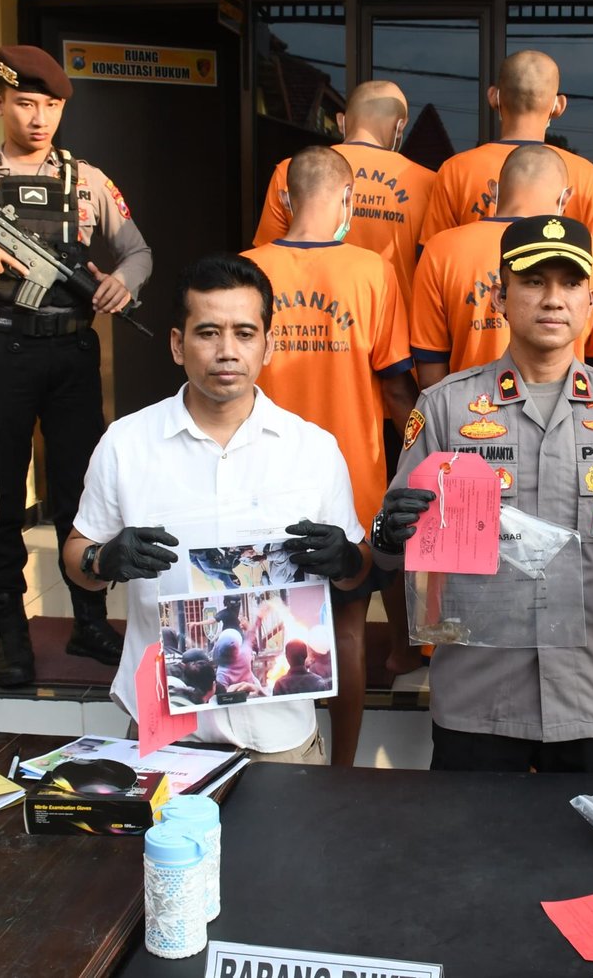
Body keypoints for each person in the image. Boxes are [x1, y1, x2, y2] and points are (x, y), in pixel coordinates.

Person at [371, 215, 593, 772]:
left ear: (591, 301)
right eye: (533, 281)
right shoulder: (445, 408)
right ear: (500, 296)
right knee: (468, 833)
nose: (553, 299)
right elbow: (394, 549)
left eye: (570, 283)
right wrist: (389, 533)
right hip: (478, 699)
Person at [0, 44, 153, 687]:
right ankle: (11, 634)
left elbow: (138, 251)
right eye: (24, 104)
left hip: (72, 353)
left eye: (51, 106)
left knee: (82, 493)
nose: (38, 119)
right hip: (3, 352)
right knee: (0, 496)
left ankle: (90, 621)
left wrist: (123, 281)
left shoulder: (87, 180)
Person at [63, 255, 370, 763]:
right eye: (208, 333)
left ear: (269, 344)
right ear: (177, 344)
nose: (227, 351)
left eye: (245, 333)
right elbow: (77, 557)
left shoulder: (313, 449)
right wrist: (102, 560)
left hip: (279, 737)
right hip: (164, 735)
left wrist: (347, 559)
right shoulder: (126, 443)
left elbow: (356, 572)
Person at [242, 145, 416, 766]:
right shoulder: (372, 271)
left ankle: (261, 754)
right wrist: (420, 454)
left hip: (257, 475)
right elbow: (395, 387)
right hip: (350, 476)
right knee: (346, 629)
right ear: (348, 200)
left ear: (285, 198)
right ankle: (342, 768)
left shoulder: (246, 270)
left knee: (258, 621)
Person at [412, 143, 593, 388]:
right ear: (566, 198)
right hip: (569, 405)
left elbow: (431, 371)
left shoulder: (441, 249)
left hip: (470, 407)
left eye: (570, 284)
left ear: (493, 190)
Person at [253, 80, 437, 296]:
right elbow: (436, 267)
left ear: (341, 121)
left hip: (306, 310)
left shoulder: (292, 170)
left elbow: (266, 263)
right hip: (390, 313)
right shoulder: (429, 183)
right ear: (400, 126)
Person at [418, 51, 593, 245]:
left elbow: (434, 251)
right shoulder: (587, 176)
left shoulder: (456, 170)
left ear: (494, 97)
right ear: (559, 105)